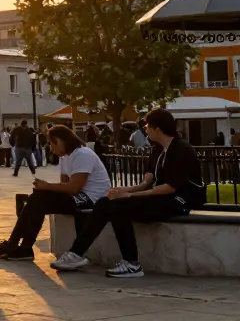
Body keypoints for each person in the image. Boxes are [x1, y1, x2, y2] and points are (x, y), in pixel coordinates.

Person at [53, 108, 206, 278]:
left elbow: (169, 188)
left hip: (179, 201)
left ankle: (131, 263)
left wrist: (129, 196)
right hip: (161, 197)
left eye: (148, 126)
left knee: (119, 207)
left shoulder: (181, 150)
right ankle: (76, 254)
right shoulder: (157, 149)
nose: (145, 129)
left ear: (158, 129)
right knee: (105, 202)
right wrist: (123, 190)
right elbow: (146, 183)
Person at [0, 125, 110, 261]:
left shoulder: (83, 154)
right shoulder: (65, 157)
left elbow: (73, 188)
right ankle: (20, 245)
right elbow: (64, 184)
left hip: (91, 198)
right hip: (78, 195)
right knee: (38, 198)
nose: (51, 149)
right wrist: (45, 188)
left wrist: (47, 186)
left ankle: (19, 245)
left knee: (40, 198)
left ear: (58, 141)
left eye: (52, 144)